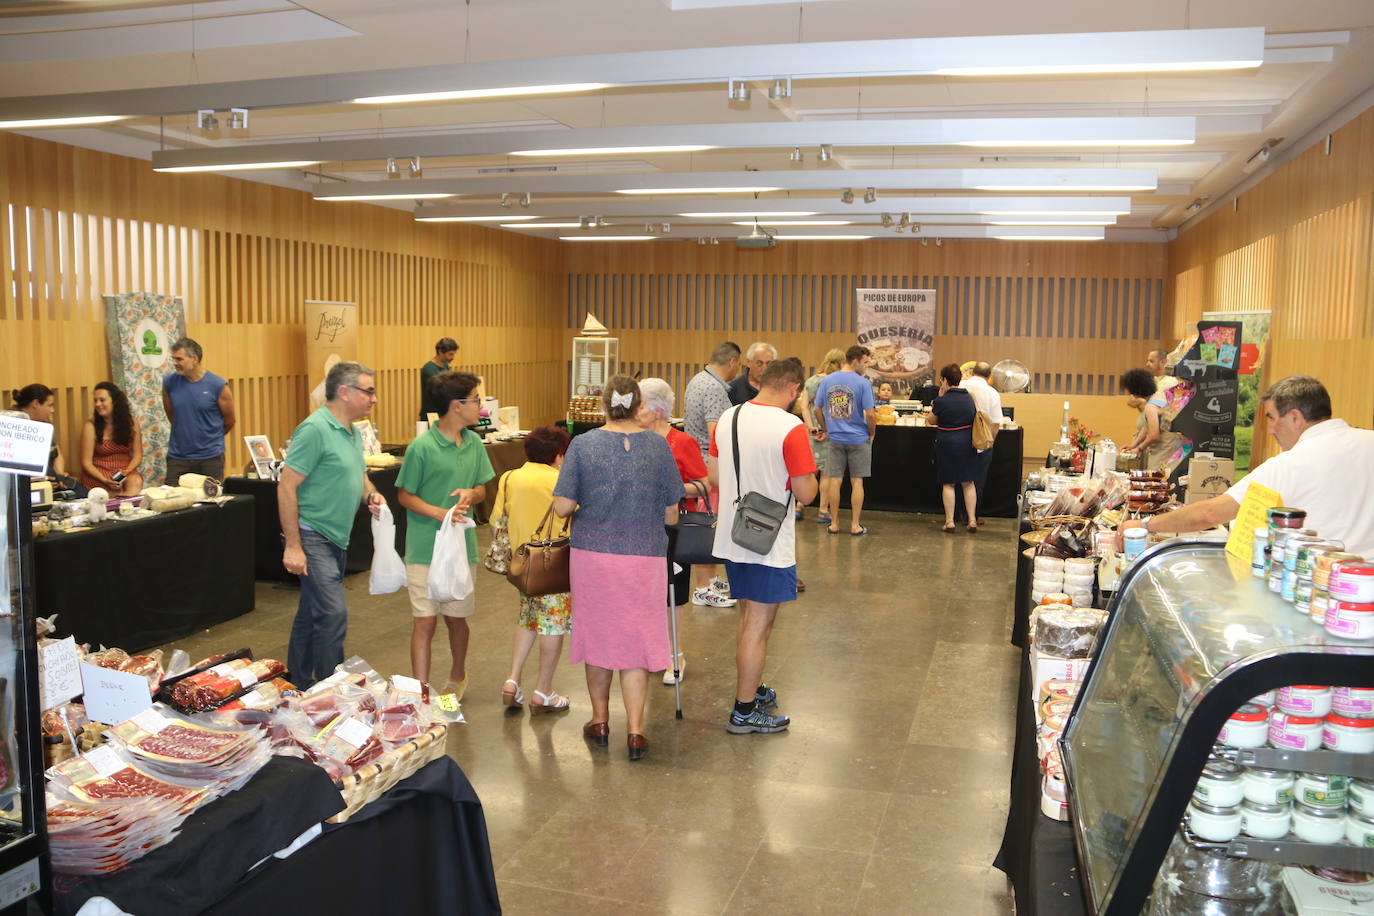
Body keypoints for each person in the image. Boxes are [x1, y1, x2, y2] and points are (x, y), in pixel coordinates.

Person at [553, 376, 683, 761]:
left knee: (598, 636)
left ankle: (600, 720)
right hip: (645, 556)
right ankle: (637, 731)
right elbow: (672, 514)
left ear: (604, 405)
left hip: (593, 556)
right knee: (638, 642)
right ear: (638, 403)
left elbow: (562, 507)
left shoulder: (582, 444)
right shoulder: (659, 446)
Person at [1121, 375, 1374, 558]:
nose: (1271, 430)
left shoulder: (1290, 464)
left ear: (1296, 417)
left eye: (1273, 419)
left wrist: (1144, 526)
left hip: (1323, 590)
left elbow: (1209, 514)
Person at [708, 359, 818, 735]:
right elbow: (806, 491)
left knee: (747, 617)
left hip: (732, 534)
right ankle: (743, 710)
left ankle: (751, 688)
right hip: (768, 541)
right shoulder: (791, 427)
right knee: (759, 624)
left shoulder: (729, 417)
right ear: (794, 388)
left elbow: (713, 476)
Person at [279, 361, 385, 687]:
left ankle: (297, 683)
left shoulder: (351, 431)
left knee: (312, 614)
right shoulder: (315, 430)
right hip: (313, 535)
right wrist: (293, 545)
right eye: (368, 391)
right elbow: (286, 486)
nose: (374, 398)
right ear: (344, 391)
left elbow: (358, 472)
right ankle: (331, 691)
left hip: (337, 538)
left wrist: (371, 495)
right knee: (333, 613)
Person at [396, 370, 494, 699]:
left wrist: (471, 494)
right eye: (476, 400)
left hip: (461, 551)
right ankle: (421, 690)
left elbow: (482, 488)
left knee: (456, 619)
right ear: (456, 405)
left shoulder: (475, 444)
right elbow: (405, 496)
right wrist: (439, 513)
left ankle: (457, 675)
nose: (480, 406)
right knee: (424, 621)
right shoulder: (421, 447)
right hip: (424, 549)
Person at [492, 426, 573, 713]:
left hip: (523, 564)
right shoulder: (562, 479)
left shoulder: (509, 478)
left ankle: (512, 680)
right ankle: (544, 691)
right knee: (553, 624)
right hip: (554, 565)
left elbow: (496, 520)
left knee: (528, 619)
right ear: (559, 454)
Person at [637, 377, 709, 685]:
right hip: (637, 527)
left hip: (674, 527)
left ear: (656, 410)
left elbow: (705, 484)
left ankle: (674, 654)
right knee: (642, 592)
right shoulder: (634, 439)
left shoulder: (682, 442)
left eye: (639, 405)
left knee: (672, 594)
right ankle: (648, 648)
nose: (634, 411)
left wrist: (671, 489)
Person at [682, 341, 741, 608]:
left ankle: (711, 580)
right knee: (710, 525)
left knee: (709, 522)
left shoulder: (697, 380)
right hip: (710, 466)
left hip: (697, 462)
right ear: (732, 362)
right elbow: (717, 431)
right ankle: (704, 587)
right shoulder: (715, 388)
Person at [814, 345, 876, 536]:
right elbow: (871, 414)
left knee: (835, 480)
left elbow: (817, 409)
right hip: (859, 438)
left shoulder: (827, 380)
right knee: (857, 482)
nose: (866, 367)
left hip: (835, 438)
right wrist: (872, 433)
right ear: (855, 361)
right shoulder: (863, 383)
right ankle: (855, 525)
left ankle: (834, 523)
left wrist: (826, 429)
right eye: (865, 362)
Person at [162, 337, 235, 483]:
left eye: (179, 359)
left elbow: (229, 421)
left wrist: (209, 436)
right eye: (173, 359)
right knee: (174, 501)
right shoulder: (169, 383)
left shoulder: (218, 385)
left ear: (194, 359)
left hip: (210, 458)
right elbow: (172, 415)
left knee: (211, 502)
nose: (175, 363)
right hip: (178, 457)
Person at [801, 348, 845, 528]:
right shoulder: (838, 383)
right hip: (830, 432)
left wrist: (811, 427)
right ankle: (822, 511)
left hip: (811, 432)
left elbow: (804, 406)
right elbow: (839, 410)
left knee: (809, 470)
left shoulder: (811, 381)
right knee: (827, 474)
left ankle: (799, 505)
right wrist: (827, 429)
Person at [933, 363, 979, 533]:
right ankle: (972, 520)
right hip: (967, 442)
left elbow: (931, 420)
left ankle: (950, 521)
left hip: (946, 443)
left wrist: (939, 397)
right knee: (968, 482)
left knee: (949, 483)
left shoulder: (941, 400)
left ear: (944, 380)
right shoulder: (970, 398)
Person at [79, 382, 143, 496]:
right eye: (95, 401)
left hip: (124, 469)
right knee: (113, 490)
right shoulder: (90, 426)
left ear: (115, 401)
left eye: (102, 400)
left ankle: (128, 509)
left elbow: (137, 455)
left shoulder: (132, 423)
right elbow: (86, 463)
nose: (98, 404)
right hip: (99, 473)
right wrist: (105, 480)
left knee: (136, 482)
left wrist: (126, 471)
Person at [960, 361, 1004, 523]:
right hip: (980, 441)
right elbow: (996, 422)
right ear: (989, 376)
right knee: (977, 480)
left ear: (972, 372)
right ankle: (972, 516)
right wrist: (989, 443)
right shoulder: (992, 393)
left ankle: (955, 515)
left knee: (956, 478)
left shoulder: (960, 385)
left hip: (958, 438)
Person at [1121, 368, 1182, 472]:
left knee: (1156, 479)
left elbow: (1154, 435)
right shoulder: (1158, 397)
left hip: (1163, 447)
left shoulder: (1150, 406)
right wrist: (1134, 445)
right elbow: (1147, 426)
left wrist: (1139, 449)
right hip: (1169, 445)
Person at [11, 384, 69, 484]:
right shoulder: (13, 426)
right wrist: (41, 479)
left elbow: (57, 454)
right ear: (36, 403)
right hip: (28, 483)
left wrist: (60, 475)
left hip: (50, 479)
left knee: (84, 493)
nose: (53, 410)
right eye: (50, 405)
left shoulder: (46, 425)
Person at [418, 337, 459, 419]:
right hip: (431, 415)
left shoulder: (446, 366)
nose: (453, 357)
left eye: (454, 354)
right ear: (440, 352)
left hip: (442, 412)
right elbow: (442, 390)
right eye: (450, 354)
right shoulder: (429, 369)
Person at [728, 341, 776, 406]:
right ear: (749, 363)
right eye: (759, 363)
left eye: (768, 363)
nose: (764, 368)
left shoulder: (778, 388)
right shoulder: (733, 388)